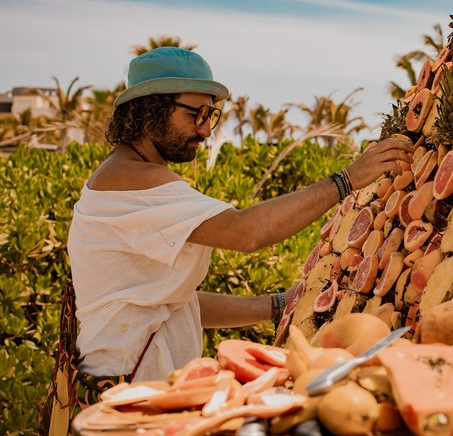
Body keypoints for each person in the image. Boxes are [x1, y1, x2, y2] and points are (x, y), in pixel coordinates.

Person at [67, 46, 413, 383]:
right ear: (149, 110)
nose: (205, 130)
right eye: (196, 115)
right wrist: (347, 180)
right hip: (128, 390)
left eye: (211, 115)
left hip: (132, 381)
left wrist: (276, 305)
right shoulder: (131, 182)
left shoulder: (124, 178)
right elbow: (246, 232)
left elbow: (174, 305)